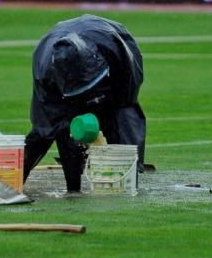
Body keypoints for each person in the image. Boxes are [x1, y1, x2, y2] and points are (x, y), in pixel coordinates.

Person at [23, 14, 146, 192]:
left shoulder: (117, 51)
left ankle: (127, 180)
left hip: (110, 44)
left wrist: (105, 109)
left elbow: (127, 98)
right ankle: (67, 187)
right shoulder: (44, 72)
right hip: (58, 81)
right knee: (50, 130)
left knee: (121, 117)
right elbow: (52, 123)